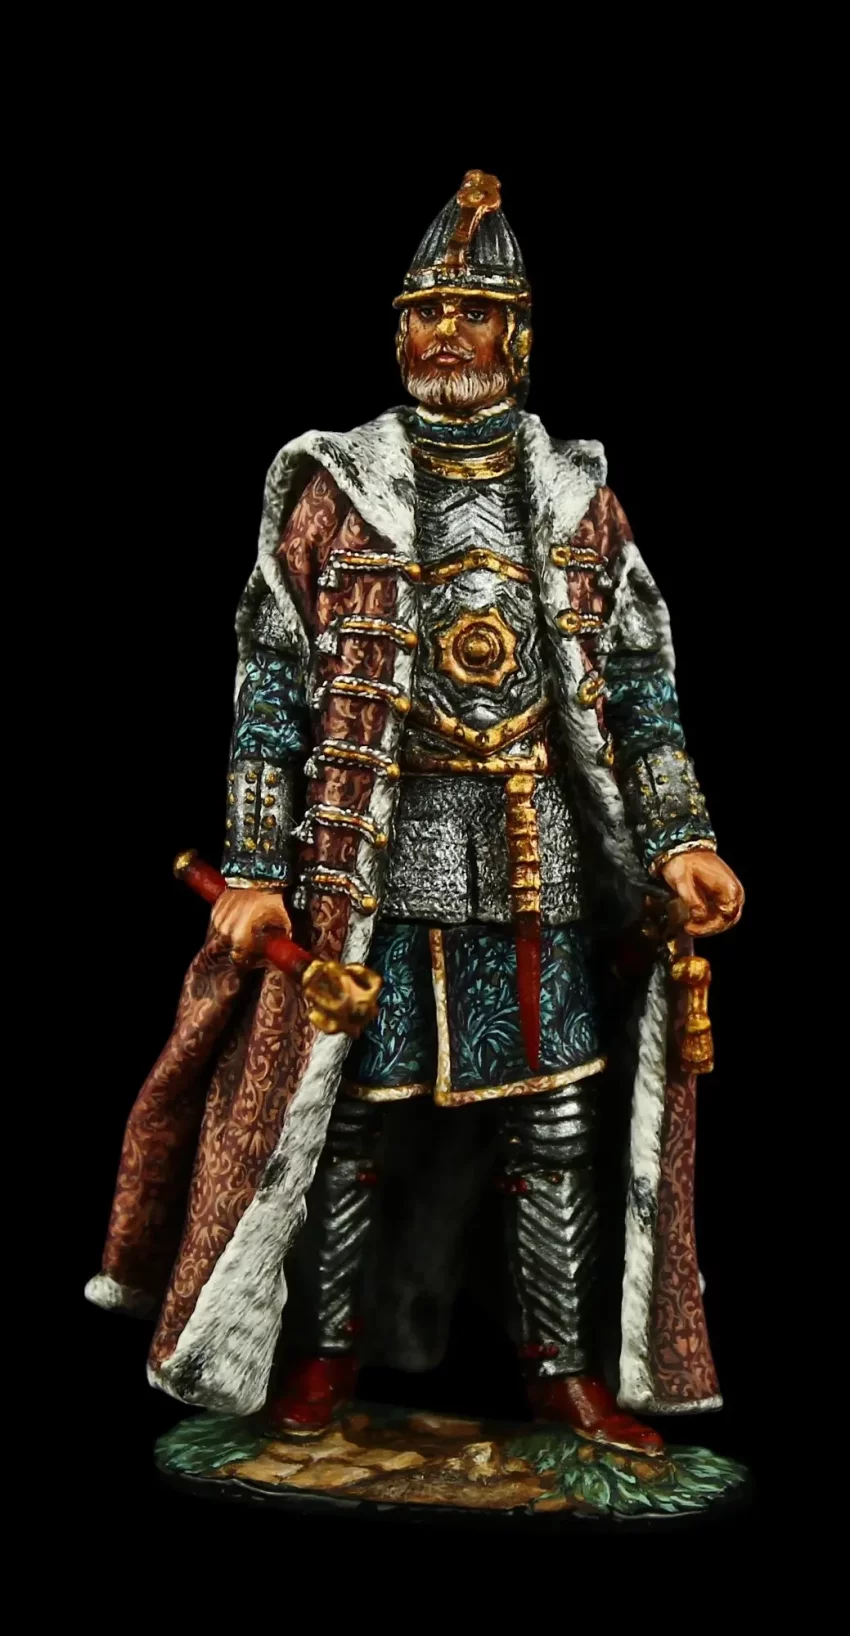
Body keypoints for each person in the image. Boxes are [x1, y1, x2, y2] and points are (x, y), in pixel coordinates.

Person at [87, 171, 743, 1458]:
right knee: (346, 1118)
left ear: (516, 335)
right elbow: (272, 685)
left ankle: (560, 1379)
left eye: (471, 312)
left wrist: (683, 839)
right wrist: (257, 868)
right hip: (370, 865)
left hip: (537, 854)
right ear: (399, 333)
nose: (446, 332)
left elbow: (638, 687)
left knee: (555, 1123)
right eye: (426, 311)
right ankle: (320, 1362)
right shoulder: (337, 490)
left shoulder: (577, 497)